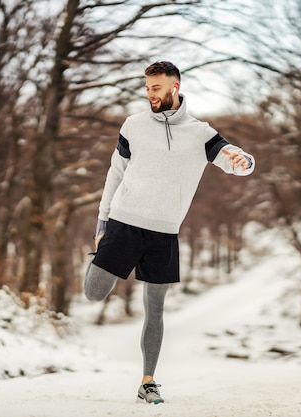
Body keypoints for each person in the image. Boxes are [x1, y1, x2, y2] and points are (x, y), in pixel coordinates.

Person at [84, 61, 255, 404]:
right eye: (147, 88)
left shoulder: (200, 133)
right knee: (94, 293)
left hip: (164, 233)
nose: (150, 94)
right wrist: (102, 225)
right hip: (124, 222)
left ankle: (148, 381)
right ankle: (99, 261)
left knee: (156, 310)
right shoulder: (133, 125)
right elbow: (115, 174)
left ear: (175, 87)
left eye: (156, 88)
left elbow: (234, 160)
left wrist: (244, 162)